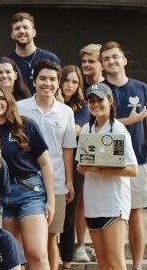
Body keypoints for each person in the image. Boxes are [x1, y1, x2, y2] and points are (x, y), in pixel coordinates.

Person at [100, 41, 147, 270]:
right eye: (106, 59)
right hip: (109, 162)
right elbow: (98, 124)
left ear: (124, 60)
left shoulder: (142, 88)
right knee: (114, 218)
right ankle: (117, 264)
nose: (112, 61)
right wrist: (129, 121)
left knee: (136, 215)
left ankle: (137, 266)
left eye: (115, 57)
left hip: (138, 161)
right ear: (102, 65)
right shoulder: (100, 90)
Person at [15, 60, 79, 268]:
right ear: (34, 81)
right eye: (43, 78)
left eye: (52, 79)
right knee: (25, 240)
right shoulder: (19, 108)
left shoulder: (65, 112)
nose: (47, 83)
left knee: (51, 238)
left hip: (56, 183)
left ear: (58, 83)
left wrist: (69, 181)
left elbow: (67, 149)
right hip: (25, 182)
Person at [0, 85, 55, 270]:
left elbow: (46, 164)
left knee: (37, 254)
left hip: (29, 192)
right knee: (13, 258)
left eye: (2, 98)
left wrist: (51, 200)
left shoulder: (26, 125)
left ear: (10, 101)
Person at [77, 83, 138, 270]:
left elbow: (133, 169)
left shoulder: (118, 130)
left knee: (116, 261)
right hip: (93, 204)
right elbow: (81, 166)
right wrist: (86, 167)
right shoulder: (87, 130)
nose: (95, 104)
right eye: (91, 100)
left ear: (110, 101)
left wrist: (99, 169)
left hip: (114, 203)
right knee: (102, 261)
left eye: (100, 100)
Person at [57, 64, 91, 267]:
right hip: (50, 162)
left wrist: (61, 106)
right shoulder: (47, 102)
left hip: (74, 163)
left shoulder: (83, 107)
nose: (69, 85)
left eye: (74, 82)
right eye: (66, 80)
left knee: (69, 215)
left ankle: (67, 261)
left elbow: (74, 132)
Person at [6, 12, 61, 93]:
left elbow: (59, 91)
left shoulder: (50, 59)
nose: (21, 31)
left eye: (25, 27)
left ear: (34, 32)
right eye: (17, 28)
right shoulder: (8, 62)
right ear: (12, 35)